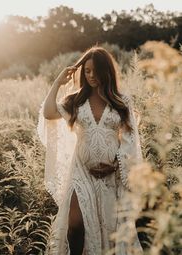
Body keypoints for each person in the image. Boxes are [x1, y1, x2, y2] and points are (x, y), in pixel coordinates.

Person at [37, 46, 144, 255]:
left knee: (109, 227)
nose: (91, 75)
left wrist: (116, 165)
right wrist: (58, 82)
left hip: (112, 175)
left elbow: (131, 140)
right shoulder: (75, 101)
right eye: (87, 71)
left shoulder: (122, 101)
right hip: (81, 172)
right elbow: (49, 113)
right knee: (75, 223)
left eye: (96, 70)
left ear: (107, 71)